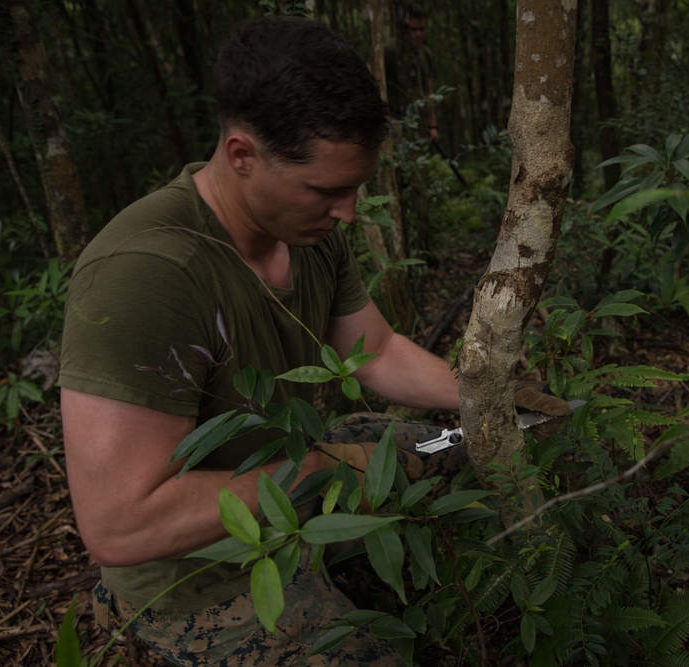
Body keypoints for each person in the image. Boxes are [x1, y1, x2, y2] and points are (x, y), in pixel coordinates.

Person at [59, 16, 567, 666]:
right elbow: (119, 523)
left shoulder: (309, 233)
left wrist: (494, 397)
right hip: (204, 574)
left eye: (354, 188)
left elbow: (376, 350)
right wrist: (316, 471)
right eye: (326, 190)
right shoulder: (146, 275)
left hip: (310, 461)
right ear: (242, 155)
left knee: (462, 445)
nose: (349, 212)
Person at [384, 1, 439, 143]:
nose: (418, 34)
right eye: (413, 30)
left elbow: (429, 92)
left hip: (416, 123)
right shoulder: (390, 50)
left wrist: (432, 126)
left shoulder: (425, 55)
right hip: (392, 120)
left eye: (422, 29)